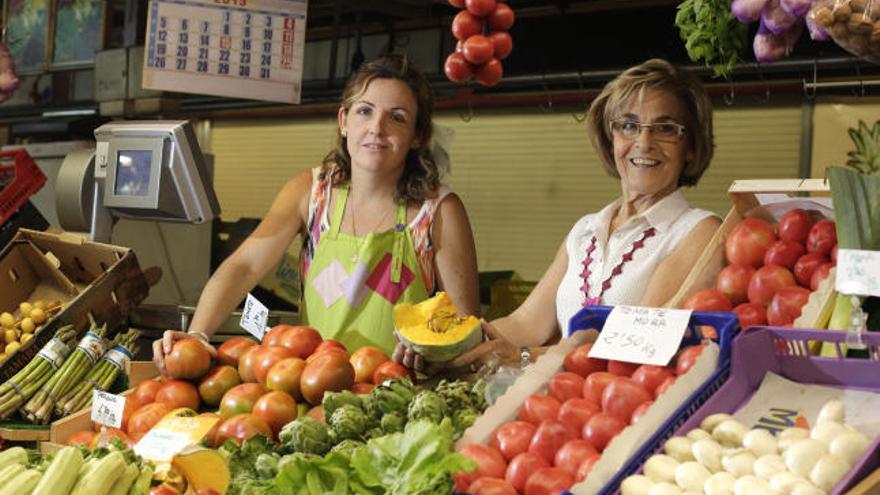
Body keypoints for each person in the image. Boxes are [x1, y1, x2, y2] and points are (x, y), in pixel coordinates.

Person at [153, 54, 480, 376]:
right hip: (310, 393)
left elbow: (466, 331)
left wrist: (433, 356)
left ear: (418, 136)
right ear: (344, 121)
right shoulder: (310, 192)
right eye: (364, 111)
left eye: (396, 117)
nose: (376, 128)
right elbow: (245, 265)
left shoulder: (438, 211)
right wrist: (196, 337)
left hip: (398, 400)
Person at [452, 58, 721, 365]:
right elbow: (526, 323)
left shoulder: (699, 231)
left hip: (621, 405)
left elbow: (635, 344)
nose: (644, 143)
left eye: (665, 128)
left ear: (690, 146)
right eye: (629, 126)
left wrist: (522, 357)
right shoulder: (585, 229)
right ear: (611, 139)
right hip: (557, 402)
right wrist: (451, 343)